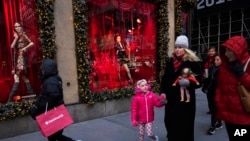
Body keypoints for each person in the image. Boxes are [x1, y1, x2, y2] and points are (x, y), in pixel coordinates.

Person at [160, 35, 202, 141]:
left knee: (183, 130)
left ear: (185, 49)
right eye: (176, 47)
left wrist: (189, 83)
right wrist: (163, 93)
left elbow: (199, 82)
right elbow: (165, 80)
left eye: (180, 47)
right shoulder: (170, 61)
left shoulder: (192, 62)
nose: (177, 49)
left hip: (185, 103)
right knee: (169, 124)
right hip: (170, 101)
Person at [215, 35, 250, 141]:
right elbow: (220, 89)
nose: (226, 54)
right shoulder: (225, 66)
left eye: (229, 51)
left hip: (243, 119)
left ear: (238, 50)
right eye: (225, 50)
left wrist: (242, 75)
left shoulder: (248, 63)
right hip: (228, 117)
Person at [34, 59, 79, 141]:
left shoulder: (50, 82)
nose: (41, 70)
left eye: (42, 68)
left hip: (53, 114)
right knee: (54, 137)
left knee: (54, 136)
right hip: (56, 112)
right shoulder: (54, 79)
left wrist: (38, 108)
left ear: (46, 69)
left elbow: (51, 96)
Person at [8, 22, 35, 102]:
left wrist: (24, 48)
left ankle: (10, 100)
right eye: (15, 27)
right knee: (24, 78)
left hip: (22, 59)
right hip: (18, 59)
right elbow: (12, 46)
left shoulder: (24, 35)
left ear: (21, 27)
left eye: (18, 26)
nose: (17, 28)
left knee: (17, 77)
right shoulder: (17, 37)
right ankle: (31, 96)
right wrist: (16, 38)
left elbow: (32, 43)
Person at [205, 55, 223, 135]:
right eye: (215, 59)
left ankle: (212, 127)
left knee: (214, 110)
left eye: (218, 59)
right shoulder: (211, 69)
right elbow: (208, 79)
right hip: (210, 92)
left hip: (218, 92)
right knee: (213, 108)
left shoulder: (223, 70)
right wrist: (205, 88)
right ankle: (219, 123)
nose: (215, 61)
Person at [202, 46, 217, 114]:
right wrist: (203, 74)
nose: (211, 52)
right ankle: (211, 109)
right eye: (210, 51)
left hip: (214, 79)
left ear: (215, 52)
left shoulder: (217, 59)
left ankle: (215, 109)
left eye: (212, 51)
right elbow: (202, 68)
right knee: (209, 95)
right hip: (207, 79)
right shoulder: (206, 60)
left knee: (214, 96)